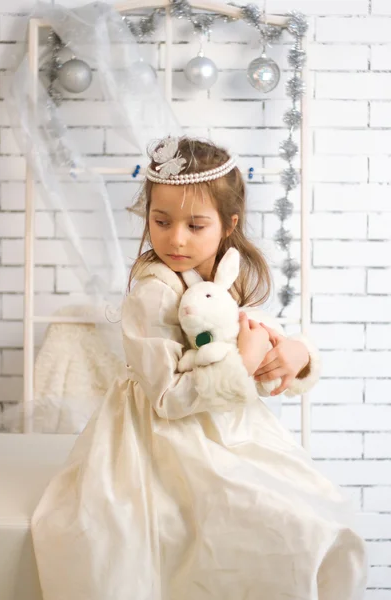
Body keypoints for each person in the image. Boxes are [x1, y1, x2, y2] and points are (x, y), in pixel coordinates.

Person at [32, 136, 367, 600]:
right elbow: (169, 398)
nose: (176, 238)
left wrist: (294, 354)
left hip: (225, 426)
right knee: (250, 527)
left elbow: (252, 340)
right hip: (159, 437)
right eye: (161, 222)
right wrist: (243, 362)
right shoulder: (152, 294)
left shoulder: (219, 279)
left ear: (229, 225)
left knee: (315, 513)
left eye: (196, 224)